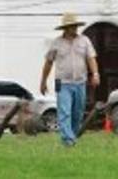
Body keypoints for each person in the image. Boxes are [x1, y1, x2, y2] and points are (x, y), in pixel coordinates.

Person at [39, 12, 99, 147]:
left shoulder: (84, 41)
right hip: (62, 82)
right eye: (71, 26)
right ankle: (69, 140)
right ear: (65, 28)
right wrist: (43, 81)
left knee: (77, 112)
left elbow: (91, 58)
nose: (74, 29)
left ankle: (71, 136)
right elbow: (48, 63)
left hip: (80, 82)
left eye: (75, 26)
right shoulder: (56, 43)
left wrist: (95, 74)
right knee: (64, 111)